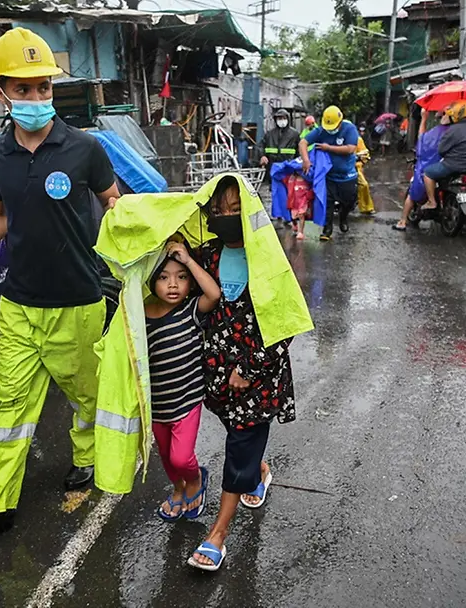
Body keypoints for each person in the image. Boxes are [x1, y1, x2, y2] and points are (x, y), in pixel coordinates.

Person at [0, 27, 121, 541]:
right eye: (22, 89)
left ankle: (86, 458)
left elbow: (114, 204)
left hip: (79, 300)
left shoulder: (86, 149)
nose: (35, 97)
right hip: (20, 304)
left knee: (85, 395)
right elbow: (0, 215)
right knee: (6, 406)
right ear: (0, 92)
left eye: (43, 87)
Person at [187, 176, 305, 572]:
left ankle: (217, 535)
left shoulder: (269, 260)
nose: (226, 217)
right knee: (240, 439)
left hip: (258, 376)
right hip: (217, 373)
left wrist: (249, 368)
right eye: (218, 211)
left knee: (239, 449)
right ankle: (259, 469)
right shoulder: (206, 255)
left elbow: (285, 324)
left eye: (235, 210)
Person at [146, 239, 221, 521]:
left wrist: (188, 259)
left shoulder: (190, 309)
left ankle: (196, 479)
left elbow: (213, 294)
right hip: (157, 406)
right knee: (167, 457)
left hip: (187, 401)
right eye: (163, 278)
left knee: (181, 457)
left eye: (181, 277)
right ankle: (178, 488)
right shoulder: (140, 313)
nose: (173, 285)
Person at [299, 105, 359, 240]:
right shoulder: (321, 131)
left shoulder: (350, 129)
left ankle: (343, 218)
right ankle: (327, 229)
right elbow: (303, 142)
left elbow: (350, 148)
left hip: (347, 176)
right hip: (328, 176)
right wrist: (306, 160)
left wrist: (328, 148)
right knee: (327, 202)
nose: (331, 130)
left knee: (349, 202)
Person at [421, 99, 466, 212]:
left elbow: (441, 150)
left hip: (453, 166)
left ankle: (432, 202)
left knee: (428, 173)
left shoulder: (453, 130)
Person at [394, 110, 448, 231]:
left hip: (428, 168)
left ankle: (403, 221)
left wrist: (423, 118)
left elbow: (421, 139)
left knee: (412, 194)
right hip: (449, 168)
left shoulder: (433, 134)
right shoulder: (457, 132)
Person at [257, 108, 300, 220]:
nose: (281, 120)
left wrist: (298, 166)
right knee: (276, 193)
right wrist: (262, 156)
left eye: (283, 118)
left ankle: (289, 215)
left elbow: (299, 151)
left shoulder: (294, 134)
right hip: (274, 169)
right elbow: (261, 146)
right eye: (279, 118)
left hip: (288, 168)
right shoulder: (269, 134)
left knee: (289, 193)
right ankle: (279, 214)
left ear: (288, 119)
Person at [356, 136, 375, 215]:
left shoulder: (357, 139)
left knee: (364, 185)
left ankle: (367, 207)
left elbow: (365, 153)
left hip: (353, 168)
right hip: (335, 168)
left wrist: (359, 158)